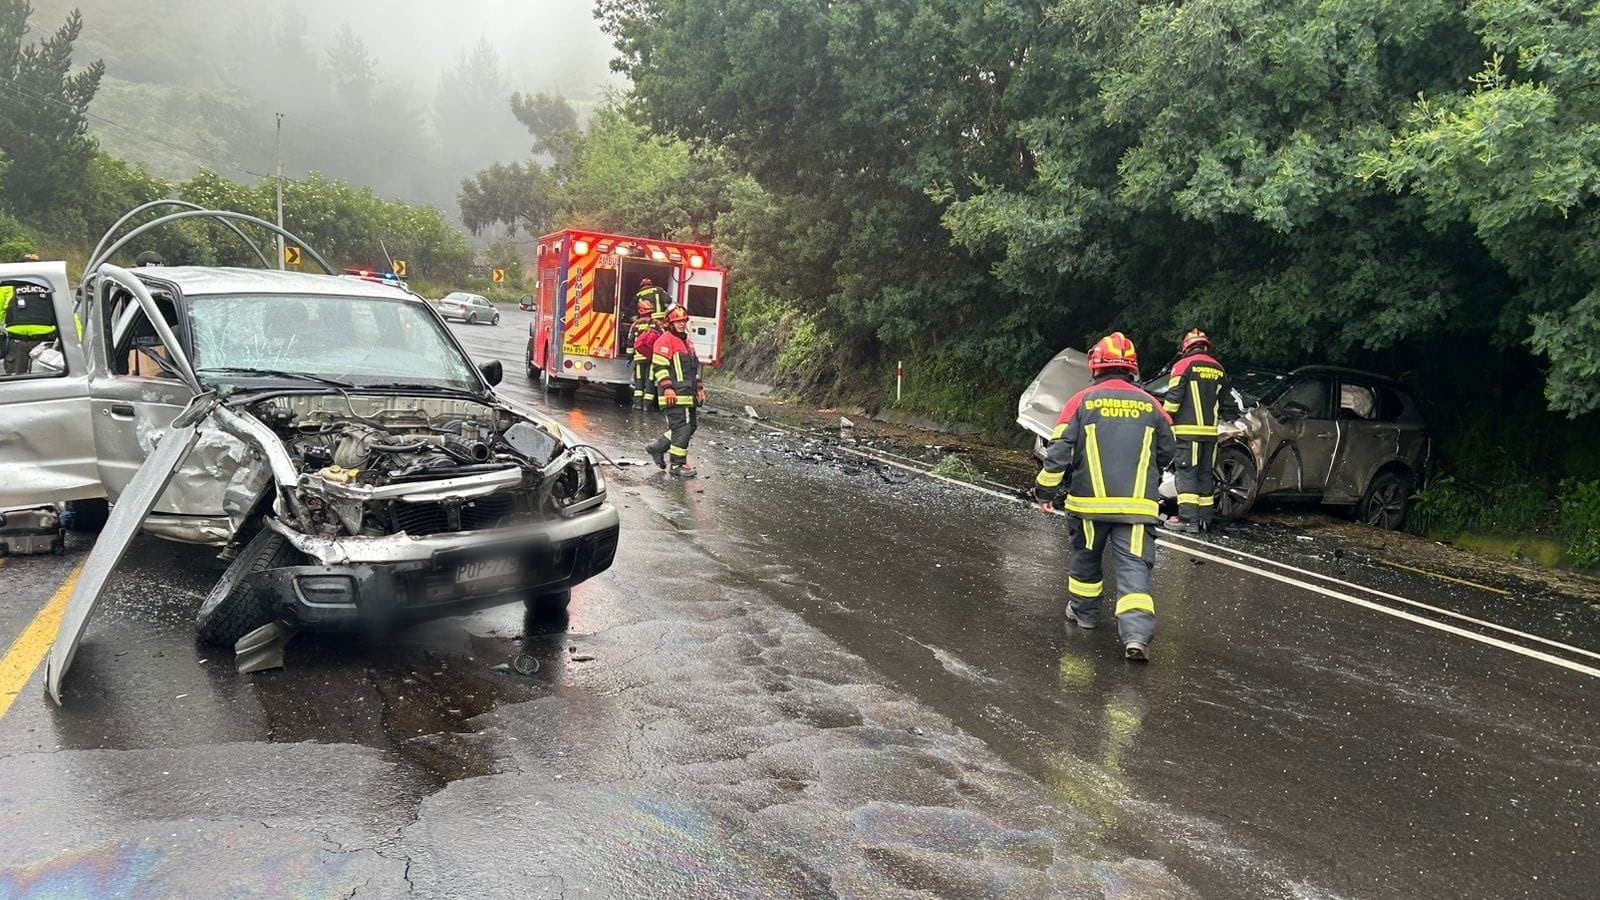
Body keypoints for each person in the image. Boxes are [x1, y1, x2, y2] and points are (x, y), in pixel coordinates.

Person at [1031, 332, 1176, 661]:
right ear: (1132, 369)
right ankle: (1137, 636)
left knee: (1086, 560)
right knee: (1134, 570)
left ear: (1095, 367)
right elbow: (1169, 449)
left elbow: (1058, 455)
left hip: (1089, 508)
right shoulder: (1151, 404)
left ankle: (1085, 615)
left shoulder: (1080, 402)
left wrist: (1044, 493)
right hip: (1137, 510)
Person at [1161, 329, 1227, 533]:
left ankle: (1187, 519)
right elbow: (1222, 401)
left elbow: (1173, 399)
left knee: (1187, 473)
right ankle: (1204, 519)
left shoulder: (1183, 365)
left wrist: (1163, 420)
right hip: (1210, 433)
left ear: (1186, 347)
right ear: (1206, 346)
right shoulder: (1219, 369)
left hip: (1187, 433)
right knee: (1205, 474)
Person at [644, 307, 705, 477]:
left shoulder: (687, 343)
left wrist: (699, 388)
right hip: (674, 395)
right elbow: (660, 367)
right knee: (682, 428)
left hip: (687, 394)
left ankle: (657, 447)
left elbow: (694, 369)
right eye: (677, 321)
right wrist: (668, 388)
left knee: (690, 427)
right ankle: (677, 465)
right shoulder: (665, 341)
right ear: (669, 324)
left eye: (683, 321)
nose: (681, 324)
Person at [1, 279, 60, 376]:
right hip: (46, 344)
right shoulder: (50, 285)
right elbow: (69, 316)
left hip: (18, 345)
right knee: (47, 382)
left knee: (16, 383)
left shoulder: (8, 286)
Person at [629, 299, 662, 410]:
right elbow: (662, 339)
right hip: (652, 357)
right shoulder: (657, 323)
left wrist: (629, 356)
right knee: (650, 380)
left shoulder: (635, 324)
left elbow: (631, 341)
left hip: (639, 357)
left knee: (639, 380)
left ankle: (638, 404)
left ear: (640, 311)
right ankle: (647, 406)